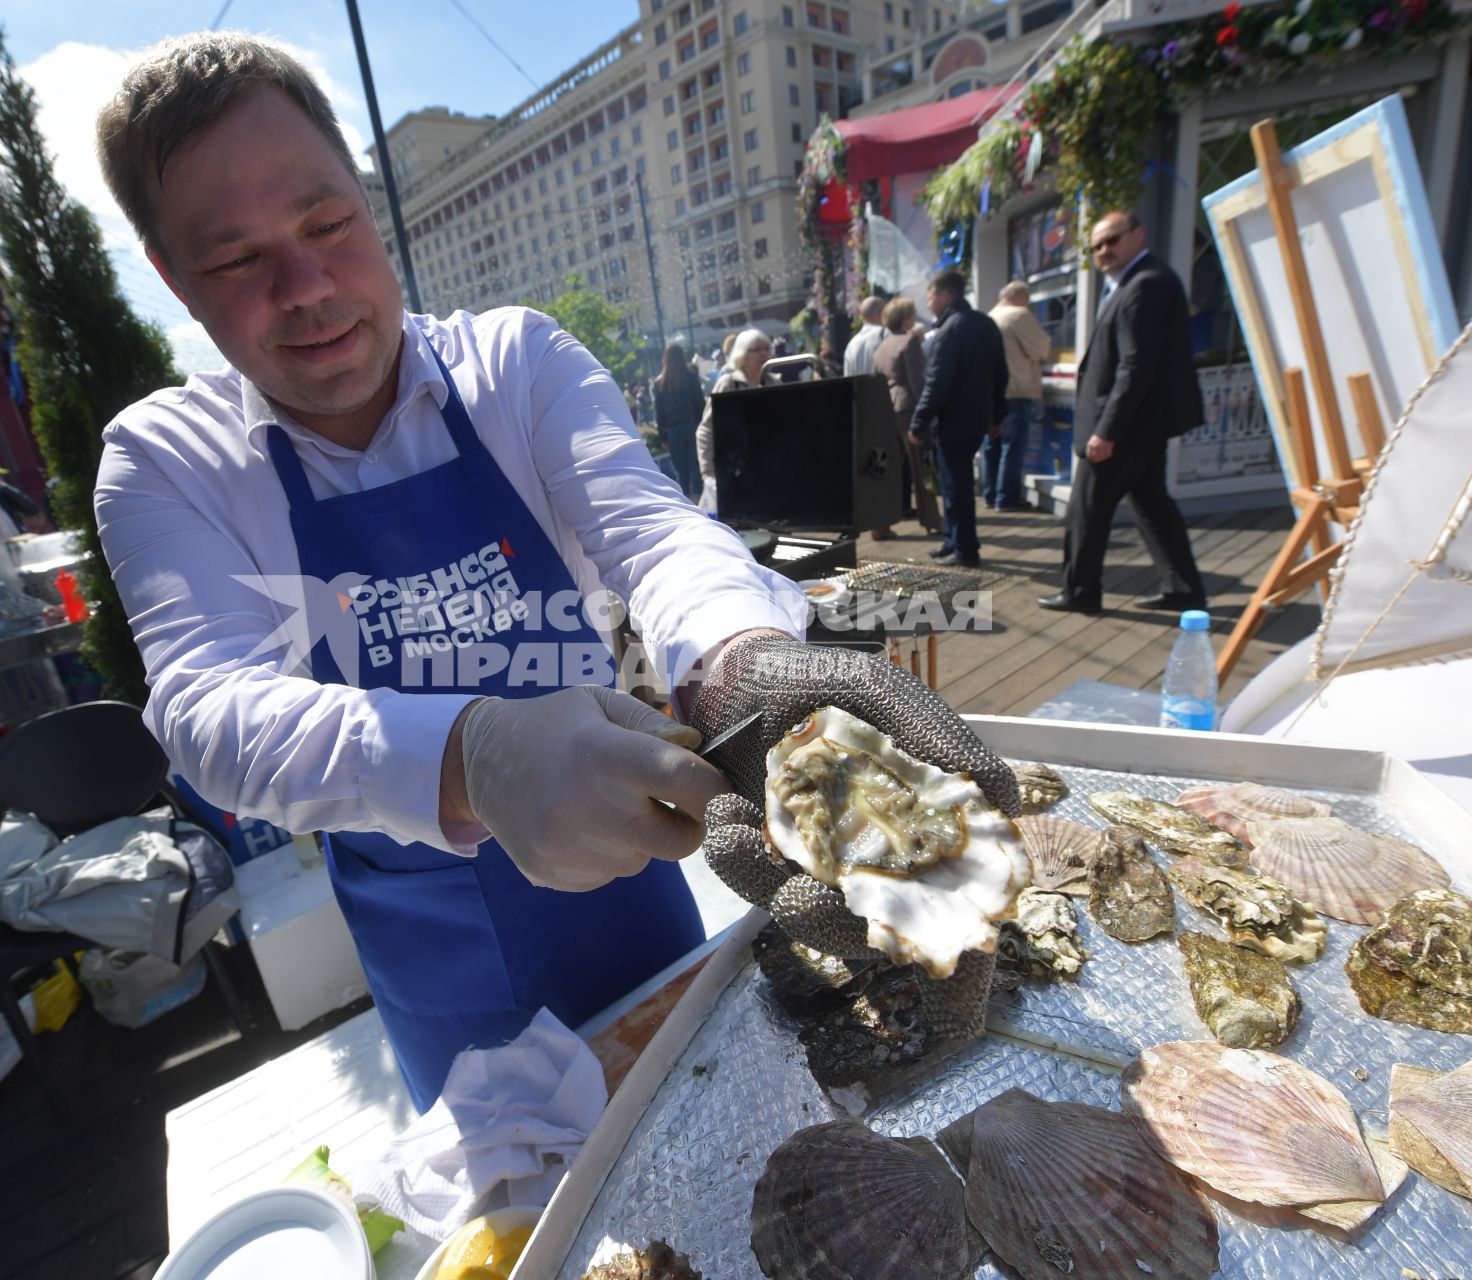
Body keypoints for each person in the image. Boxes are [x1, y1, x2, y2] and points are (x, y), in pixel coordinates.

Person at [90, 34, 1019, 1109]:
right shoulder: (165, 460)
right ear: (171, 278)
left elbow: (653, 530)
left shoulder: (515, 363)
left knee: (713, 1117)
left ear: (368, 201)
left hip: (629, 864)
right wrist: (474, 752)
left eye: (326, 223)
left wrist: (740, 659)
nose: (305, 287)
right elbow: (206, 708)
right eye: (237, 259)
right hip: (429, 953)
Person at [1038, 210, 1206, 615]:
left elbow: (1136, 366)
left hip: (1125, 426)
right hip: (1141, 424)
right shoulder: (1137, 282)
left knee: (1087, 509)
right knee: (1151, 503)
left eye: (1112, 241)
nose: (1104, 251)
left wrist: (1106, 430)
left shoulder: (1144, 284)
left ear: (1138, 234)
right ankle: (1183, 587)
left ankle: (1081, 592)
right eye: (1096, 246)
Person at [909, 270, 1006, 569]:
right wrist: (997, 415)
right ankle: (953, 541)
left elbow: (938, 382)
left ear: (945, 295)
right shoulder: (986, 323)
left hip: (954, 421)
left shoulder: (951, 329)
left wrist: (918, 422)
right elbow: (1000, 373)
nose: (928, 303)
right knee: (956, 485)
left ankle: (964, 548)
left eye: (930, 297)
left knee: (955, 488)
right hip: (977, 419)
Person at [873, 296, 939, 538]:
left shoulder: (882, 346)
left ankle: (879, 526)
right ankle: (931, 520)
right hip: (908, 408)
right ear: (906, 318)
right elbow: (917, 381)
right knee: (920, 466)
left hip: (886, 408)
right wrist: (927, 412)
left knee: (887, 472)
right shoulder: (909, 342)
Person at [985, 281, 1051, 512]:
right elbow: (1042, 348)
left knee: (993, 445)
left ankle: (991, 494)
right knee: (1012, 445)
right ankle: (1007, 497)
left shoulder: (989, 317)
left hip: (993, 392)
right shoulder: (1018, 316)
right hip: (1017, 389)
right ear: (1021, 296)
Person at [695, 328, 771, 513]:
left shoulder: (774, 382)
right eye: (756, 349)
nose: (763, 354)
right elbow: (706, 429)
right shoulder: (728, 384)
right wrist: (708, 471)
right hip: (736, 470)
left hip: (769, 470)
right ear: (743, 354)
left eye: (766, 349)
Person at [652, 343, 706, 502]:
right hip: (692, 425)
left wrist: (662, 436)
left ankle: (686, 500)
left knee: (681, 470)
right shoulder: (690, 377)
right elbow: (700, 404)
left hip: (673, 430)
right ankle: (697, 499)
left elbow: (659, 412)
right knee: (695, 466)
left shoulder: (659, 383)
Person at [840, 294, 886, 379]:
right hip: (882, 390)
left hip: (859, 391)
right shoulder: (885, 334)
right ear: (881, 313)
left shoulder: (851, 344)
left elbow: (848, 379)